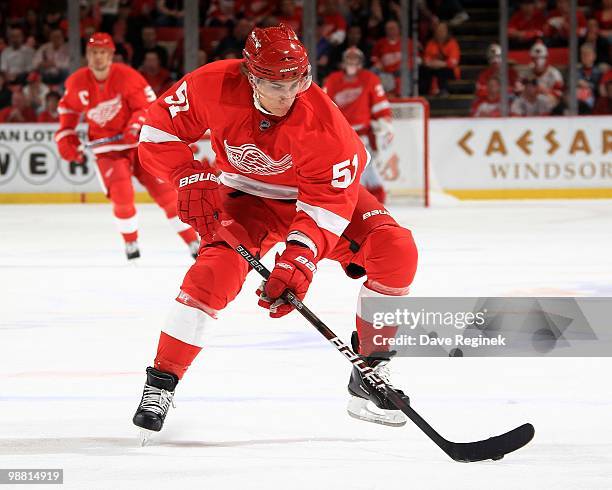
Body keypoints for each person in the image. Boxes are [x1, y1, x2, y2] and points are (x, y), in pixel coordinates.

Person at [132, 24, 418, 435]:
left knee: (395, 250)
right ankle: (161, 382)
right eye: (275, 85)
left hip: (312, 201)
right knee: (211, 275)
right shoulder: (213, 83)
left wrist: (299, 259)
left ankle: (369, 371)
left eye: (297, 82)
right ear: (251, 76)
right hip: (246, 198)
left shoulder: (326, 126)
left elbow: (326, 204)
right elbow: (156, 131)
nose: (288, 95)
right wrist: (185, 175)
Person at [55, 33, 199, 261]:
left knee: (167, 195)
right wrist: (66, 136)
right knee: (122, 195)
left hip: (140, 145)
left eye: (103, 53)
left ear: (111, 55)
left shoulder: (128, 77)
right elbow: (68, 112)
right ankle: (131, 243)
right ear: (87, 56)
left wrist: (135, 125)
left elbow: (148, 107)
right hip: (108, 151)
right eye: (94, 53)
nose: (98, 58)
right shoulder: (76, 82)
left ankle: (193, 242)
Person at [323, 47, 393, 203]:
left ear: (361, 62)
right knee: (344, 168)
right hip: (340, 135)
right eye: (349, 58)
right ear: (343, 61)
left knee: (365, 166)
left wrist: (384, 122)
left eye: (355, 59)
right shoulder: (333, 80)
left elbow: (380, 105)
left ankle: (372, 198)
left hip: (363, 134)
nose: (352, 62)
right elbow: (325, 106)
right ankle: (361, 197)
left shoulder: (370, 79)